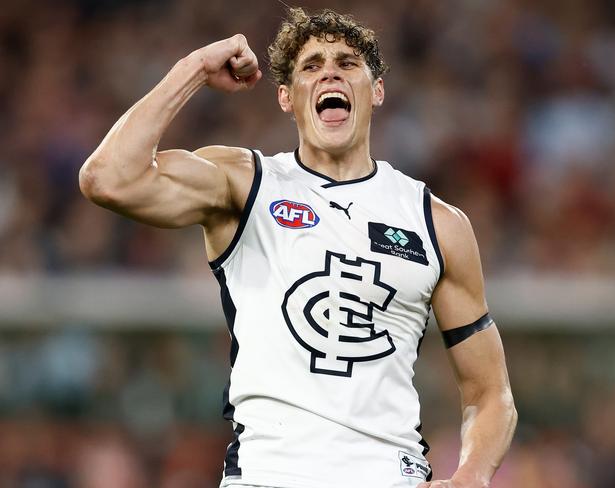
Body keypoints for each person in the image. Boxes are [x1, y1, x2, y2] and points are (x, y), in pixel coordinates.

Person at [79, 7, 517, 488]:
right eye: (311, 66)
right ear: (287, 98)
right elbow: (108, 179)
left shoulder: (438, 223)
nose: (330, 71)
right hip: (269, 474)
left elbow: (489, 391)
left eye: (348, 63)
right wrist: (195, 69)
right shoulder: (245, 185)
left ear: (377, 91)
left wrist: (471, 476)